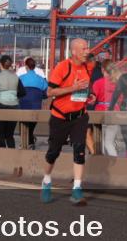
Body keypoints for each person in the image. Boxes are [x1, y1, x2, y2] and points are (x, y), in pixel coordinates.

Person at [41, 38, 96, 205]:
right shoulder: (62, 67)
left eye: (88, 48)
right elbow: (49, 92)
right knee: (53, 153)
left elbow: (84, 88)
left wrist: (89, 95)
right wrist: (74, 88)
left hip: (80, 116)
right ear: (74, 52)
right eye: (84, 48)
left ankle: (77, 189)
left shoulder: (88, 67)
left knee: (79, 149)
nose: (87, 51)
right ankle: (46, 181)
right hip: (60, 117)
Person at [0, 55, 26, 148]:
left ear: (1, 64)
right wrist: (14, 96)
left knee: (0, 134)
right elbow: (22, 92)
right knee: (10, 135)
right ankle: (12, 153)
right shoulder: (16, 77)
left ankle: (3, 154)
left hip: (1, 106)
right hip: (14, 107)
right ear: (10, 65)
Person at [18, 57, 48, 149]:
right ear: (34, 67)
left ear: (26, 66)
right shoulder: (41, 79)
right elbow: (46, 93)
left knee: (23, 123)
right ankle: (30, 140)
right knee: (32, 124)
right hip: (36, 105)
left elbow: (16, 92)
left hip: (23, 104)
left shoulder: (21, 78)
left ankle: (26, 141)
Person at [93, 63, 122, 157]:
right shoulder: (118, 83)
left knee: (99, 143)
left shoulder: (98, 83)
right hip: (115, 112)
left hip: (100, 113)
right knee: (109, 143)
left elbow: (92, 99)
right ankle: (116, 164)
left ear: (103, 70)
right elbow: (121, 99)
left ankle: (102, 165)